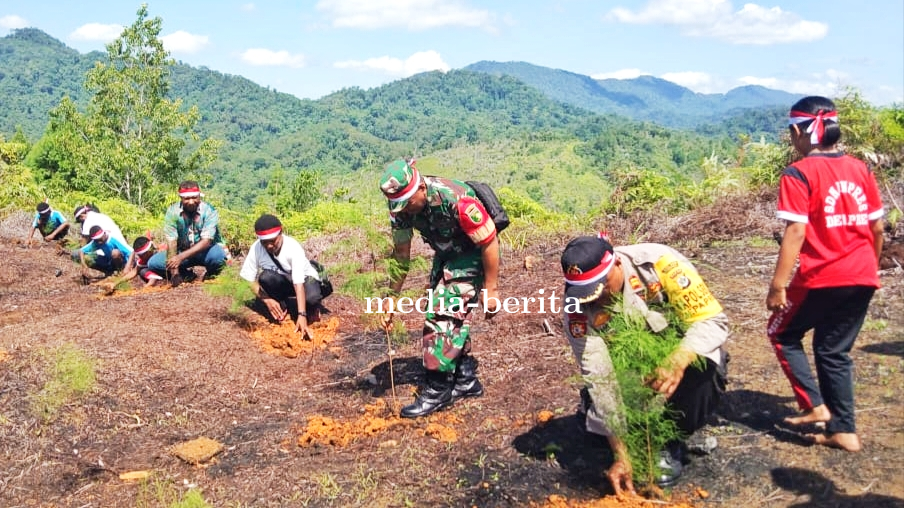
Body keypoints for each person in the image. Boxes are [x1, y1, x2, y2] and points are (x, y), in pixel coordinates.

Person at [560, 234, 729, 494]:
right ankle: (607, 418)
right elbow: (598, 374)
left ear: (616, 263)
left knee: (707, 367)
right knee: (601, 427)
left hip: (679, 355)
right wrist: (621, 454)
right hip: (628, 374)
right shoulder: (576, 305)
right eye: (587, 292)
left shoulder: (659, 264)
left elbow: (712, 321)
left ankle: (670, 441)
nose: (596, 298)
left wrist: (680, 357)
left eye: (602, 287)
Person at [766, 96, 885, 453]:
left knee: (782, 333)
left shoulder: (798, 173)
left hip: (823, 276)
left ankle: (815, 405)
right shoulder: (860, 169)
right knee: (833, 350)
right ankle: (843, 431)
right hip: (863, 274)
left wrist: (778, 284)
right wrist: (868, 266)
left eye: (792, 133)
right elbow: (877, 228)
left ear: (798, 132)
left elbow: (796, 233)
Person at [378, 158, 501, 418]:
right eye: (399, 206)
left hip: (472, 253)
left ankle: (438, 389)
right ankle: (465, 380)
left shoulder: (456, 200)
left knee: (442, 314)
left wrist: (491, 289)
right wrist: (391, 297)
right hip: (446, 255)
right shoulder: (400, 209)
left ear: (421, 188)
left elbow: (489, 242)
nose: (405, 211)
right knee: (451, 314)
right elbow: (401, 254)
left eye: (408, 203)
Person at [240, 214, 330, 339]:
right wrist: (266, 300)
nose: (269, 246)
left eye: (273, 241)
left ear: (281, 233)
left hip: (305, 279)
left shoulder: (292, 247)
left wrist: (302, 315)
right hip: (283, 281)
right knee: (266, 277)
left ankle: (312, 308)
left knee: (312, 298)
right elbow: (247, 278)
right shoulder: (256, 248)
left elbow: (298, 283)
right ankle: (283, 308)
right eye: (265, 242)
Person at [148, 180, 228, 286]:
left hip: (205, 251)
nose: (191, 201)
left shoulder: (209, 210)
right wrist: (174, 273)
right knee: (154, 263)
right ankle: (186, 275)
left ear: (199, 196)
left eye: (194, 197)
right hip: (182, 250)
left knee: (218, 257)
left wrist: (180, 258)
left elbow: (206, 241)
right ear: (181, 198)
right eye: (187, 198)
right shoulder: (172, 212)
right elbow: (172, 242)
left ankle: (210, 274)